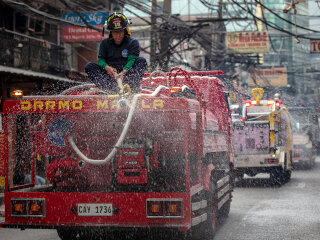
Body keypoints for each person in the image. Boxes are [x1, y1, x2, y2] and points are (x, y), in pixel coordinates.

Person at [85, 12, 147, 93]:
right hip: (109, 78)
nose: (118, 35)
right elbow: (100, 60)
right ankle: (109, 90)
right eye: (115, 32)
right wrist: (107, 68)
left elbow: (132, 60)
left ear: (125, 31)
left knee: (141, 60)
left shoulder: (133, 42)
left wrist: (123, 72)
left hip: (127, 76)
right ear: (111, 32)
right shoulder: (104, 43)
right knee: (89, 66)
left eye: (120, 32)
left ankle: (131, 90)